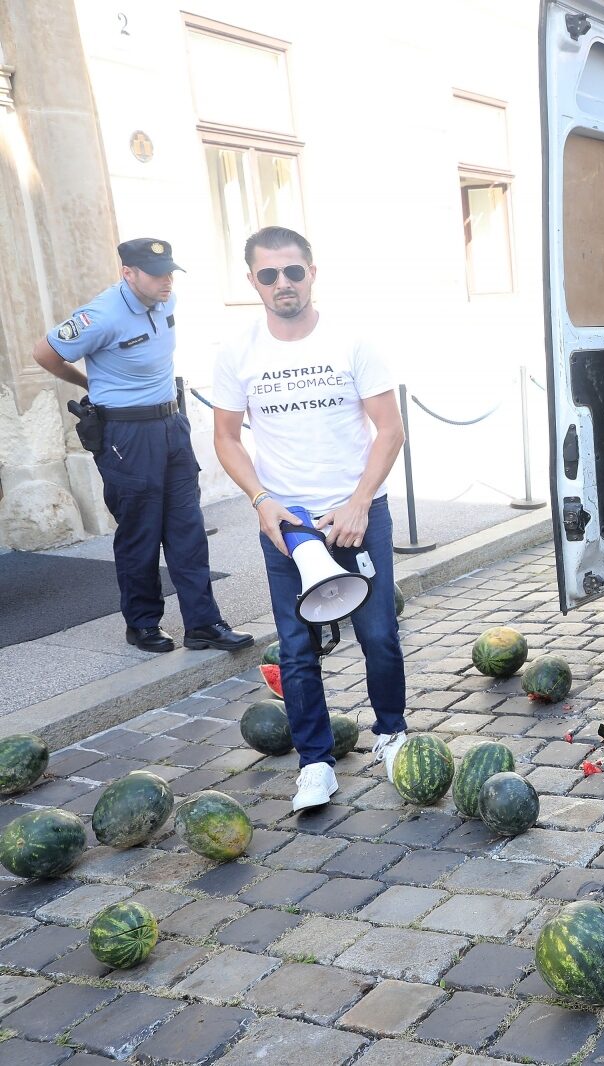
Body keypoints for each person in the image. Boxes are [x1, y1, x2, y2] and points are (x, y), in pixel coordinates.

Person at [211, 226, 409, 812]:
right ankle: (315, 763)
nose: (282, 283)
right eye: (268, 274)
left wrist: (359, 501)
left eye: (293, 271)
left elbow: (390, 430)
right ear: (253, 281)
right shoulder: (237, 352)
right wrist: (260, 500)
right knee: (296, 649)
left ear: (312, 273)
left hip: (357, 513)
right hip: (286, 523)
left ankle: (392, 735)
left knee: (378, 634)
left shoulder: (352, 342)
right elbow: (225, 438)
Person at [30, 239, 252, 655]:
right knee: (141, 534)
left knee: (187, 529)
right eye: (156, 273)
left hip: (171, 424)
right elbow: (44, 353)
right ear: (127, 273)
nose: (166, 280)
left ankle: (203, 624)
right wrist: (89, 385)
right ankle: (143, 624)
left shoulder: (167, 299)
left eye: (169, 271)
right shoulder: (100, 316)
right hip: (127, 437)